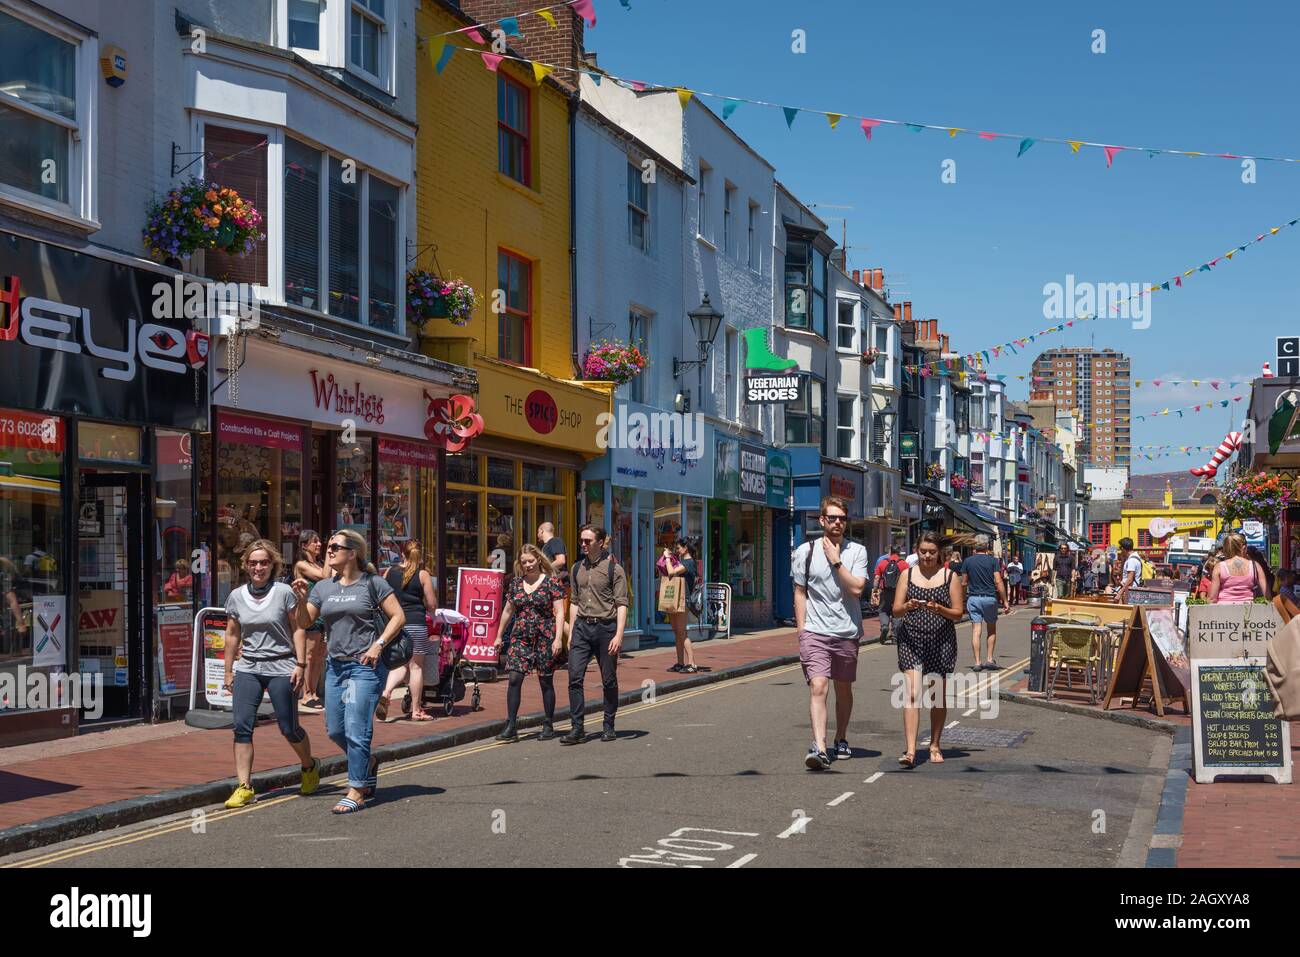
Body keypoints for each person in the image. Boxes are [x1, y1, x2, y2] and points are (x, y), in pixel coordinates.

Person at [293, 529, 406, 814]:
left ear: (352, 552)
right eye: (328, 546)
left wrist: (378, 645)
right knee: (335, 729)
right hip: (335, 667)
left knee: (357, 728)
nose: (328, 551)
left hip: (364, 666)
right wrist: (301, 599)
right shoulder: (323, 588)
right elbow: (305, 622)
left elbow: (398, 616)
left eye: (334, 547)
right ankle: (366, 762)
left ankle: (357, 788)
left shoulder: (373, 583)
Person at [221, 541, 319, 808]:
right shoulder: (237, 596)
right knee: (242, 726)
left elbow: (298, 628)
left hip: (281, 666)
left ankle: (309, 766)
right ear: (246, 566)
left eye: (264, 562)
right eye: (253, 563)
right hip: (249, 667)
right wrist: (228, 671)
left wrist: (300, 664)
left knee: (288, 727)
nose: (258, 567)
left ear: (272, 565)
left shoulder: (284, 592)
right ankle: (244, 786)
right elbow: (231, 635)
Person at [791, 496, 871, 771]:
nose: (838, 522)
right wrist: (802, 630)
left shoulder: (857, 552)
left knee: (843, 688)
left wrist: (837, 562)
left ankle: (841, 737)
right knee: (819, 686)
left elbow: (857, 589)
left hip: (847, 631)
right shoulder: (805, 552)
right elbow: (800, 592)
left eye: (842, 519)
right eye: (832, 518)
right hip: (815, 631)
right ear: (822, 520)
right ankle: (820, 747)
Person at [893, 532, 965, 768]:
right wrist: (907, 605)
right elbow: (895, 610)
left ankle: (934, 744)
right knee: (912, 694)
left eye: (931, 552)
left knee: (937, 698)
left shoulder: (949, 576)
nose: (926, 556)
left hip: (940, 641)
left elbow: (958, 612)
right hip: (911, 639)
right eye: (923, 551)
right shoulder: (907, 574)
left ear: (940, 554)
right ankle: (911, 751)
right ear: (917, 550)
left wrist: (939, 609)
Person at [562, 525, 629, 744]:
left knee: (608, 680)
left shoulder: (614, 569)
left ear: (600, 542)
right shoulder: (576, 568)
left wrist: (619, 634)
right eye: (581, 540)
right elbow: (574, 602)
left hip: (606, 628)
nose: (583, 544)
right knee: (574, 677)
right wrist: (571, 631)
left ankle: (609, 725)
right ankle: (577, 728)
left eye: (588, 541)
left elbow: (621, 604)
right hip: (582, 627)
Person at [494, 545, 567, 741]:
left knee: (545, 680)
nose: (527, 565)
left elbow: (560, 612)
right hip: (521, 637)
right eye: (524, 562)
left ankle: (548, 724)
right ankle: (510, 725)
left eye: (531, 561)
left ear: (539, 560)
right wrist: (499, 635)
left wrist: (558, 638)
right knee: (514, 679)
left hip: (544, 636)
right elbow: (508, 611)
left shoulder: (552, 582)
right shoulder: (516, 584)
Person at [378, 541, 438, 722]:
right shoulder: (423, 575)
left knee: (400, 664)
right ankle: (416, 710)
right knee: (415, 666)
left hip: (394, 624)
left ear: (402, 554)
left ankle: (386, 692)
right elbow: (432, 605)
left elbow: (381, 597)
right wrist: (431, 610)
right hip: (416, 623)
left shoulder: (389, 572)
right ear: (420, 557)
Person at [292, 530, 330, 713]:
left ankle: (314, 691)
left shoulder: (321, 563)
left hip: (323, 614)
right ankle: (306, 693)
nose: (319, 545)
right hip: (308, 613)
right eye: (314, 542)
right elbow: (325, 577)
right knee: (309, 654)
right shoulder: (302, 564)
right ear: (304, 545)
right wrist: (331, 554)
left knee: (319, 656)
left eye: (319, 541)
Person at [962, 534, 1009, 671]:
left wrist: (961, 599)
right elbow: (998, 581)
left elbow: (964, 583)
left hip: (974, 598)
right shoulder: (993, 561)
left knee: (976, 631)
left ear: (974, 546)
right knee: (991, 629)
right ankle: (989, 659)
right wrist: (1005, 600)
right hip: (989, 598)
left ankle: (977, 662)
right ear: (987, 546)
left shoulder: (968, 561)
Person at [662, 538, 700, 672]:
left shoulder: (689, 563)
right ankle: (680, 662)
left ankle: (692, 664)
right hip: (675, 598)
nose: (677, 551)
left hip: (683, 599)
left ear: (686, 548)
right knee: (676, 632)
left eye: (678, 548)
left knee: (682, 632)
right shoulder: (681, 562)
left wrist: (667, 558)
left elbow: (671, 572)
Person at [1209, 533, 1271, 604]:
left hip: (1224, 611)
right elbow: (1267, 595)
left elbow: (1212, 598)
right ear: (1244, 548)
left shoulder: (1219, 567)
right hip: (1249, 610)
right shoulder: (1255, 566)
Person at [873, 545, 908, 644]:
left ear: (890, 552)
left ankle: (884, 626)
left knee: (883, 610)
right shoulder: (904, 564)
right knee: (897, 612)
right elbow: (908, 579)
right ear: (899, 552)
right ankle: (895, 637)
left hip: (885, 591)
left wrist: (875, 590)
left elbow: (876, 578)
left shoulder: (883, 562)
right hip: (899, 592)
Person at [1116, 537, 1143, 604]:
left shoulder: (1131, 560)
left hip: (1129, 592)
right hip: (1131, 591)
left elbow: (1129, 579)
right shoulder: (1135, 557)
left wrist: (1120, 593)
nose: (1120, 551)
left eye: (1120, 548)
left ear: (1123, 548)